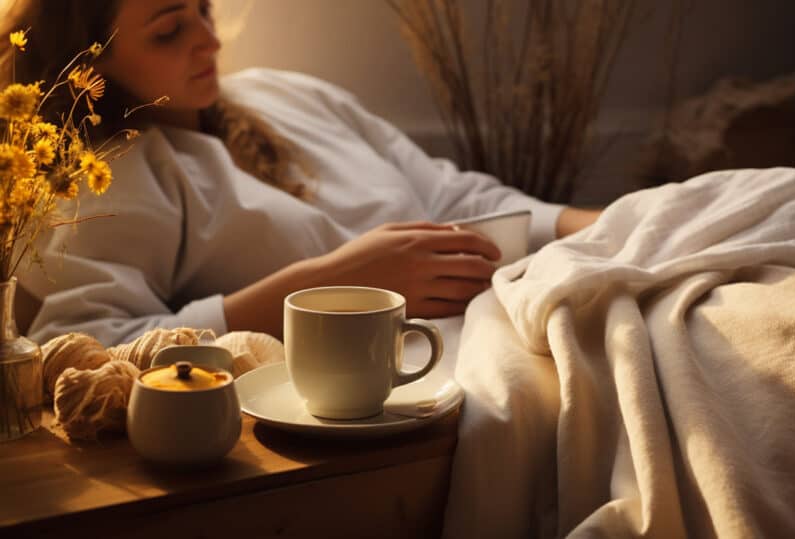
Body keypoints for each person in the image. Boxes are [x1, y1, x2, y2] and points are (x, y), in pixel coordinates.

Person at [4, 0, 600, 346]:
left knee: (678, 221)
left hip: (516, 294)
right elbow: (89, 341)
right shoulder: (108, 176)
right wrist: (330, 287)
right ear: (88, 63)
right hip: (429, 358)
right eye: (169, 30)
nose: (210, 41)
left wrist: (604, 225)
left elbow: (451, 195)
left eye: (205, 10)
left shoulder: (284, 93)